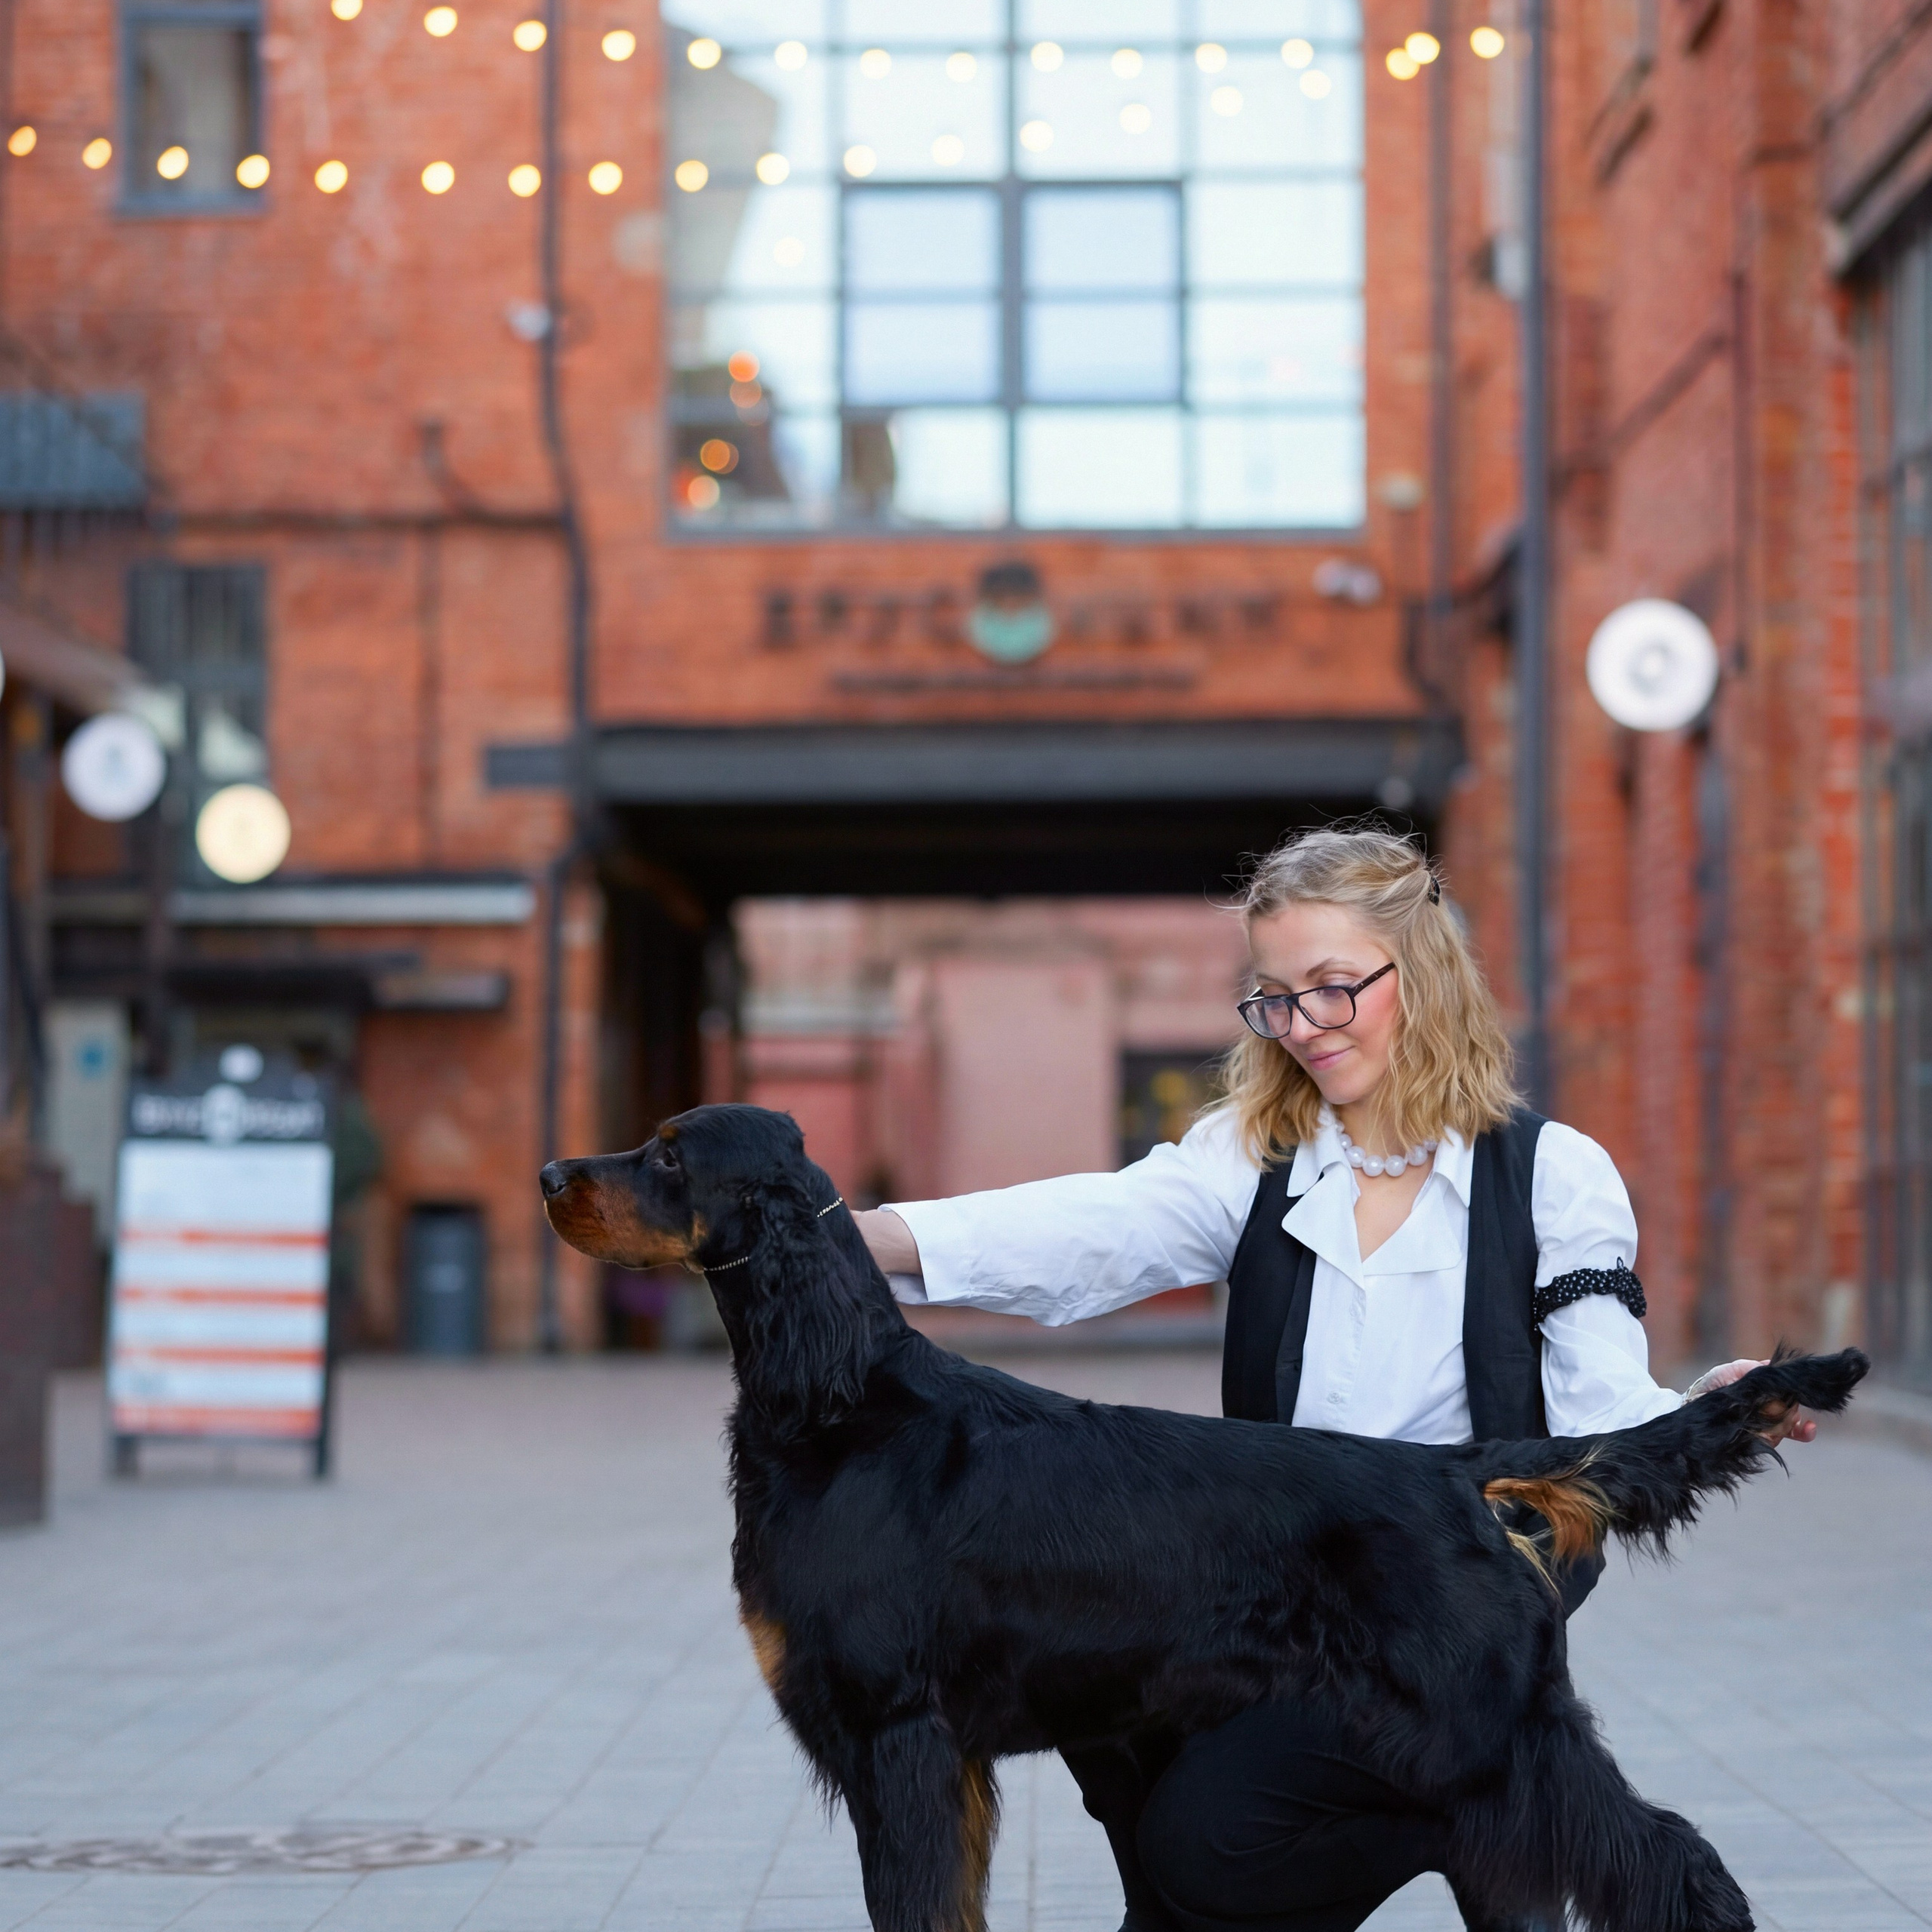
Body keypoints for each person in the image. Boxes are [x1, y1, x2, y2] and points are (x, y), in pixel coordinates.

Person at [854, 826, 1810, 1932]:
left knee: (1209, 1847)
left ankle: (1490, 1800)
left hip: (1460, 1595)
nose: (1301, 1026)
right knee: (1125, 1744)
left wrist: (1708, 1414)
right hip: (1290, 1597)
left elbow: (1603, 1405)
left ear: (1425, 973)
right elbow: (1091, 1230)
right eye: (1273, 998)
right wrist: (867, 1235)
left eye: (1333, 988)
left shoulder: (1551, 1174)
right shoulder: (1252, 1156)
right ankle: (1493, 1804)